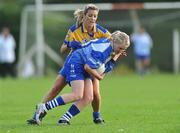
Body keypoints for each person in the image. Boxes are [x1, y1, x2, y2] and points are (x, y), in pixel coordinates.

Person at [27, 4, 111, 125]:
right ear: (84, 16)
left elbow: (113, 40)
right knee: (55, 88)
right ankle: (36, 115)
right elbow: (62, 49)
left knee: (95, 94)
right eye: (90, 15)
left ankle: (96, 116)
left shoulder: (100, 31)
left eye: (95, 16)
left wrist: (117, 52)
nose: (93, 18)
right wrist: (71, 44)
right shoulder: (74, 30)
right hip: (73, 63)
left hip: (90, 66)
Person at [34, 30, 130, 125]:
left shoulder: (109, 46)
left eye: (123, 49)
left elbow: (101, 67)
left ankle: (64, 119)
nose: (121, 51)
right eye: (120, 48)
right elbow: (88, 67)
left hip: (84, 65)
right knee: (77, 95)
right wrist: (99, 77)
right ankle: (44, 107)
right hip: (77, 63)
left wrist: (116, 56)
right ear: (114, 42)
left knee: (88, 97)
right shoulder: (103, 50)